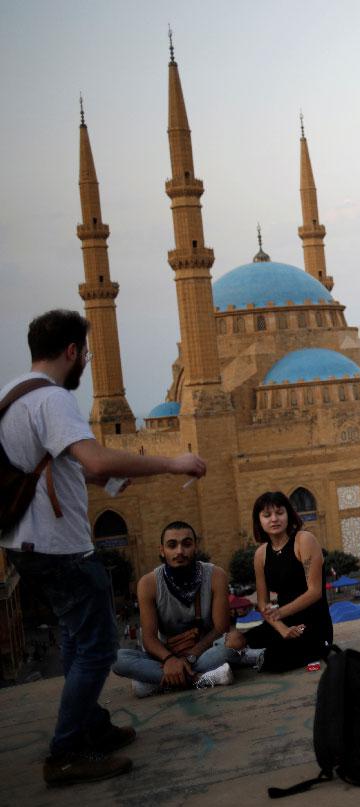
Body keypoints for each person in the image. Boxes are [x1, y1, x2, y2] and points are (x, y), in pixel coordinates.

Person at [0, 310, 205, 786]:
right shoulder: (52, 399)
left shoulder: (14, 395)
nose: (88, 361)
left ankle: (90, 726)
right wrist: (173, 462)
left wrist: (111, 477)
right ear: (71, 351)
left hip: (26, 543)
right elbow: (92, 454)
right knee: (98, 648)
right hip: (58, 547)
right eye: (85, 353)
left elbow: (75, 464)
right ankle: (67, 750)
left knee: (75, 638)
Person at [112, 522, 260, 697]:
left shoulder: (215, 575)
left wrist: (190, 656)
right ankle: (201, 678)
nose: (180, 551)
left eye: (186, 544)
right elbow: (149, 639)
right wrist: (170, 659)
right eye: (172, 545)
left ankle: (160, 683)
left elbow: (221, 628)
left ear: (195, 547)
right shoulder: (148, 584)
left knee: (233, 643)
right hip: (167, 654)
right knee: (116, 659)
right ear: (162, 550)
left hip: (204, 651)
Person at [236, 492, 333, 672]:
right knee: (235, 641)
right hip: (281, 623)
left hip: (311, 624)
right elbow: (263, 603)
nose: (274, 519)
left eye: (279, 513)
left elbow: (314, 592)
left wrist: (280, 613)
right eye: (267, 515)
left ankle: (254, 658)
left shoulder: (303, 540)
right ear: (259, 521)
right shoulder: (261, 554)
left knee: (276, 659)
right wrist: (281, 628)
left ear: (289, 515)